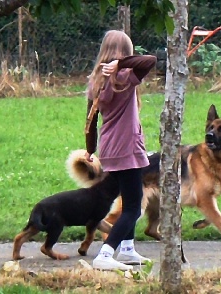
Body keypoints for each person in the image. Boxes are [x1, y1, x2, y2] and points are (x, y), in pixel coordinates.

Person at [84, 30, 157, 271]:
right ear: (125, 53)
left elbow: (90, 121)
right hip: (127, 147)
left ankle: (127, 250)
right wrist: (121, 64)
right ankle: (106, 253)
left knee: (128, 198)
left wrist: (90, 150)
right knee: (134, 207)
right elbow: (150, 61)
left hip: (109, 148)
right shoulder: (125, 76)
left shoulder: (96, 80)